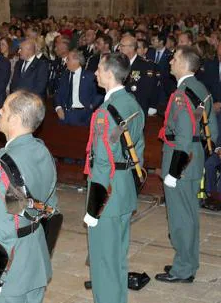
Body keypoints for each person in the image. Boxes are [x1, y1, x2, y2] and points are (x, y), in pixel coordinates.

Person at [0, 90, 57, 303]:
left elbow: (4, 225)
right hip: (34, 256)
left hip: (10, 268)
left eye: (5, 108)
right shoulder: (42, 151)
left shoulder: (2, 165)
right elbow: (51, 205)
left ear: (16, 120)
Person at [83, 52, 144, 303]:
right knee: (117, 255)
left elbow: (102, 162)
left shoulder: (104, 113)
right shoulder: (133, 104)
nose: (95, 72)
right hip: (124, 188)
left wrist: (93, 206)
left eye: (98, 68)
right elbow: (137, 148)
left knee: (103, 259)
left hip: (106, 193)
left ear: (109, 73)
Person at [156, 45, 218, 283]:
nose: (170, 60)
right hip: (194, 157)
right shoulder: (202, 89)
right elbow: (212, 129)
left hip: (180, 160)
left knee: (180, 217)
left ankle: (182, 269)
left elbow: (181, 134)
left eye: (174, 58)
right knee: (190, 214)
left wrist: (174, 170)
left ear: (184, 63)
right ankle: (188, 261)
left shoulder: (181, 94)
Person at [54, 50, 101, 126]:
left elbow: (100, 93)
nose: (66, 61)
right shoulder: (64, 75)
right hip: (65, 115)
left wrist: (92, 105)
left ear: (76, 61)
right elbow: (58, 93)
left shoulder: (89, 76)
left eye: (68, 59)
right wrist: (58, 108)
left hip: (83, 115)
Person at [119, 35, 159, 115]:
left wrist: (151, 106)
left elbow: (147, 90)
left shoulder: (146, 65)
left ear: (132, 48)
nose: (119, 48)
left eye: (122, 46)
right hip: (120, 104)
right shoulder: (118, 63)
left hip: (136, 108)